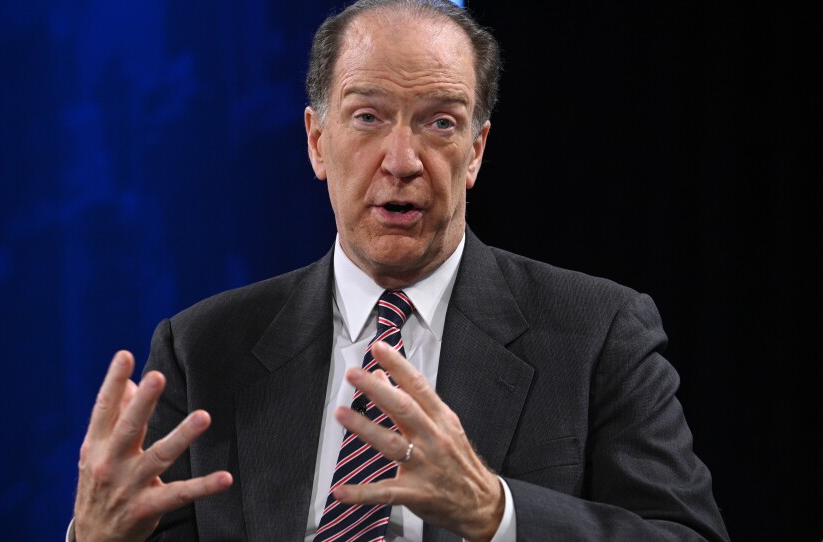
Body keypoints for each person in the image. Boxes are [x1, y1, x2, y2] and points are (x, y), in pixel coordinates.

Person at [71, 0, 730, 540]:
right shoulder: (203, 350)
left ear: (475, 152)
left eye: (440, 122)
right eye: (367, 117)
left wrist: (498, 515)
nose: (402, 159)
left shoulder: (598, 333)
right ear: (317, 142)